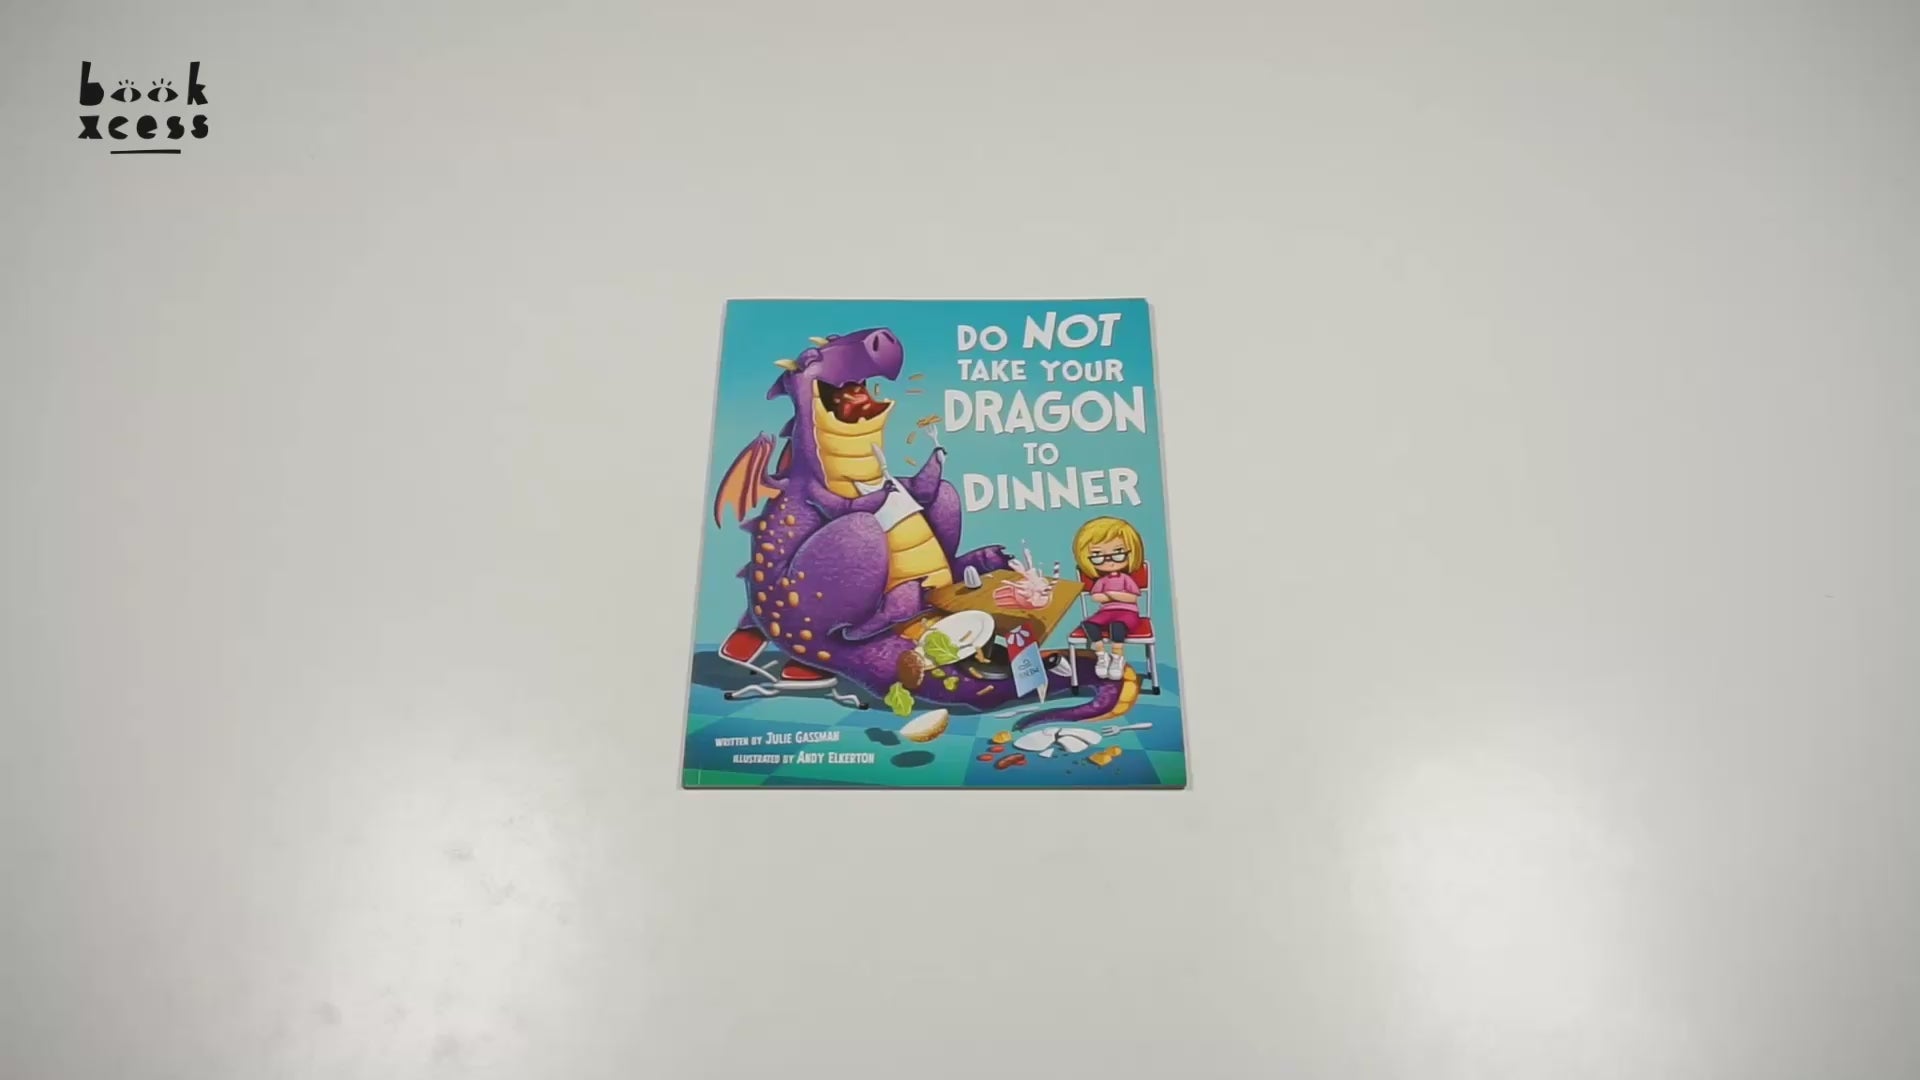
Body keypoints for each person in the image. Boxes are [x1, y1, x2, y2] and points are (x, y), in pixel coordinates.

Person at [1071, 517, 1145, 680]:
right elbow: (1095, 597)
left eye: (1118, 553)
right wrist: (1110, 596)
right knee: (1089, 624)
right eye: (1097, 555)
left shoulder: (1126, 578)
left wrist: (1111, 595)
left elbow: (1132, 598)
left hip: (1128, 612)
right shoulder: (1102, 580)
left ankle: (1117, 657)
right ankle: (1101, 655)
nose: (1109, 561)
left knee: (1117, 626)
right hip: (1106, 612)